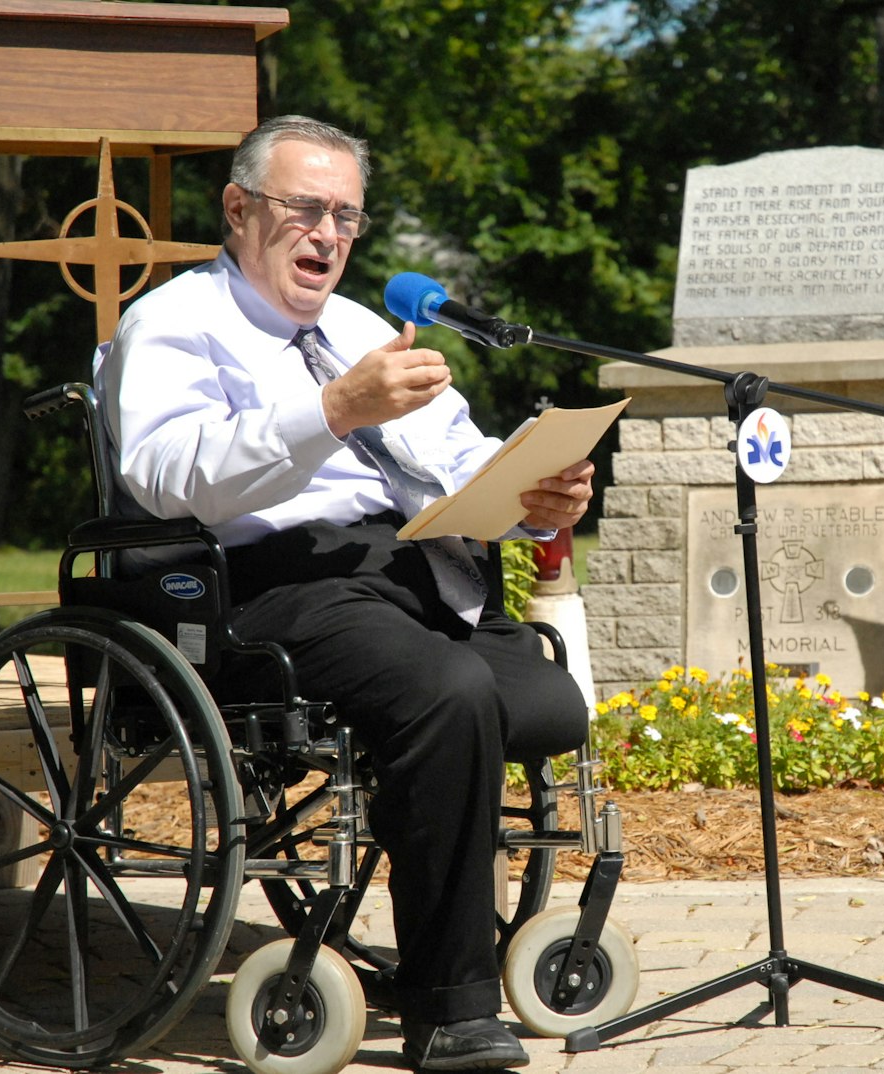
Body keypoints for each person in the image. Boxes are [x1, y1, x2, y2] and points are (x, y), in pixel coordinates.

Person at [94, 115, 594, 1071]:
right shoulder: (173, 322)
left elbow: (457, 458)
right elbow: (164, 477)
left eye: (347, 217)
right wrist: (333, 410)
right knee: (447, 697)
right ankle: (451, 1002)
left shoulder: (364, 327)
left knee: (540, 698)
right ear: (239, 210)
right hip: (263, 581)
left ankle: (465, 935)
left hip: (413, 572)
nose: (328, 234)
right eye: (305, 209)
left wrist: (531, 494)